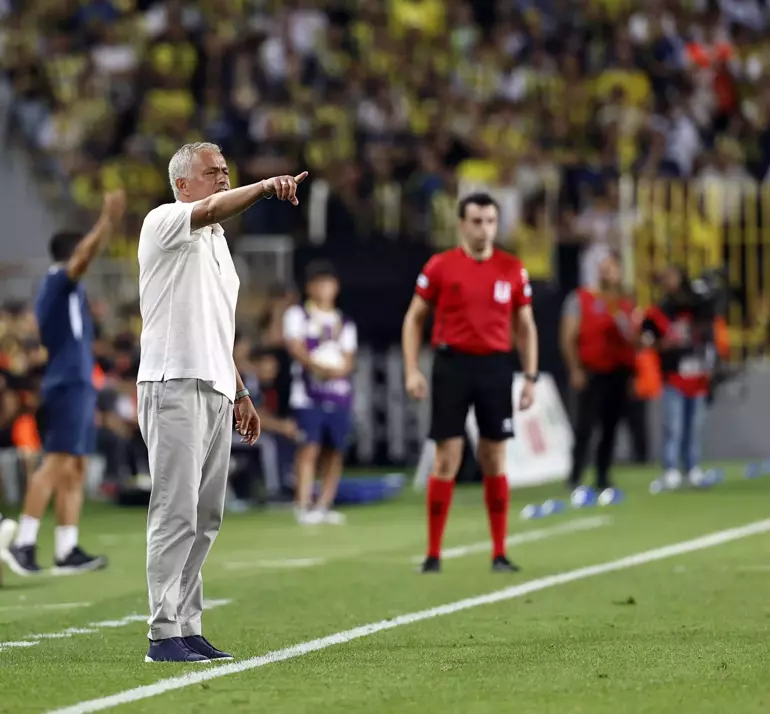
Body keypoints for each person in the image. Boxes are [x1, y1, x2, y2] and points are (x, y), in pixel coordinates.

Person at [137, 141, 306, 663]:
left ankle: (187, 625)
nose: (224, 179)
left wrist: (241, 391)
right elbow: (210, 208)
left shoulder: (217, 244)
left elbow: (217, 329)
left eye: (227, 172)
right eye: (214, 172)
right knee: (175, 511)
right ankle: (162, 634)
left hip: (212, 383)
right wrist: (266, 186)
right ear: (183, 184)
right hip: (173, 381)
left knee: (206, 515)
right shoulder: (165, 220)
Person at [402, 192, 539, 574]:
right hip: (451, 364)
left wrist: (530, 377)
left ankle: (499, 551)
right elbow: (414, 318)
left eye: (490, 221)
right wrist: (412, 369)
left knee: (494, 456)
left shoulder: (513, 268)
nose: (484, 229)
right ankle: (433, 553)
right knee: (447, 457)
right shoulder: (440, 266)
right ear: (462, 224)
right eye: (477, 221)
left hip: (495, 365)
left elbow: (525, 327)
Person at [1, 191, 125, 576]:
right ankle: (23, 542)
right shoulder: (59, 280)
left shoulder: (68, 291)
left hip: (77, 382)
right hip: (68, 382)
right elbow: (83, 257)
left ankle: (67, 549)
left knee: (75, 466)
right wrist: (106, 221)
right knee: (56, 462)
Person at [560, 251, 637, 501]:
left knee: (610, 427)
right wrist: (575, 369)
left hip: (618, 371)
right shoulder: (581, 298)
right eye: (603, 268)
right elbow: (567, 336)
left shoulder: (626, 302)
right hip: (591, 371)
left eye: (611, 268)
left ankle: (603, 476)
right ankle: (575, 475)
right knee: (584, 426)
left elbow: (636, 339)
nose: (607, 273)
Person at [283, 260, 356, 525]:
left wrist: (335, 372)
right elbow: (295, 347)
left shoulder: (344, 322)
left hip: (338, 393)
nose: (325, 289)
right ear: (310, 287)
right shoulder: (297, 315)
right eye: (319, 283)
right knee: (309, 447)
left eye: (329, 283)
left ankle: (325, 503)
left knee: (335, 449)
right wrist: (317, 367)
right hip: (307, 394)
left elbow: (349, 359)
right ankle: (303, 504)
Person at [642, 267, 722, 491]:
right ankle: (670, 469)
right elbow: (647, 337)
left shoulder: (698, 306)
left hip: (697, 377)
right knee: (673, 426)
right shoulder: (661, 311)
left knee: (694, 426)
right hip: (674, 376)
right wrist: (661, 344)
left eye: (673, 277)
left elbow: (712, 308)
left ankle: (692, 467)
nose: (670, 282)